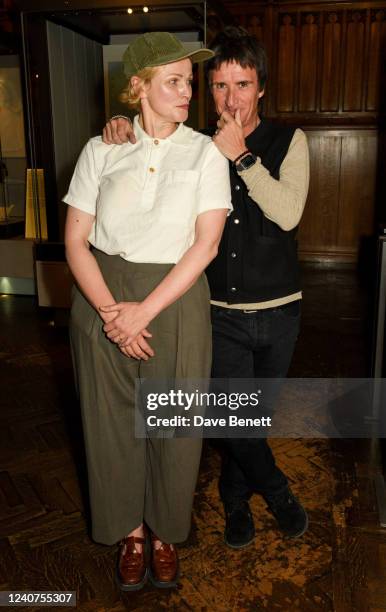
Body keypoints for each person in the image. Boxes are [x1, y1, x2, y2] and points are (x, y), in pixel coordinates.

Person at [102, 26, 310, 550]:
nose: (230, 97)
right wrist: (122, 127)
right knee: (235, 421)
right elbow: (146, 147)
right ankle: (271, 495)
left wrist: (241, 156)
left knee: (252, 419)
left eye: (243, 84)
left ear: (261, 88)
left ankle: (233, 493)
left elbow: (287, 215)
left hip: (280, 310)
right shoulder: (190, 146)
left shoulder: (290, 140)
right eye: (219, 85)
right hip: (217, 312)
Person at [64, 31, 231, 591]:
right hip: (101, 297)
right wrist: (114, 312)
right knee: (109, 423)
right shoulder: (100, 149)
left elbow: (205, 244)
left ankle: (164, 532)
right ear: (139, 87)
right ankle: (131, 532)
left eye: (188, 81)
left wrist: (142, 314)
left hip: (176, 298)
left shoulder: (205, 152)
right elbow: (75, 240)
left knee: (174, 423)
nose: (189, 91)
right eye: (174, 81)